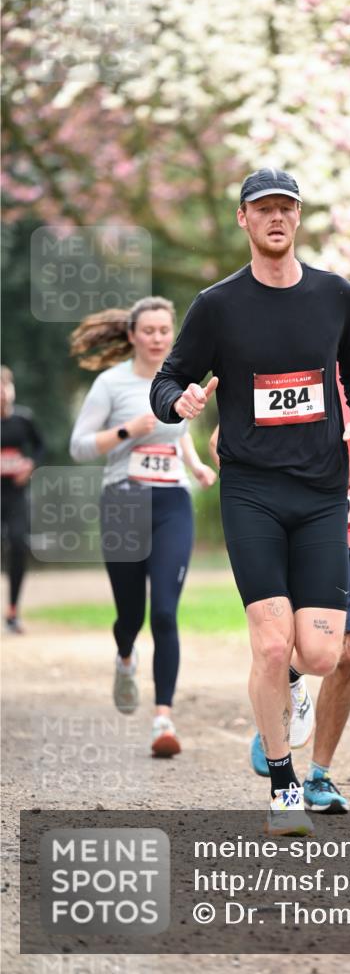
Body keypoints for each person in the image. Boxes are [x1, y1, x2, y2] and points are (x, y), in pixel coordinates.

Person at [150, 167, 350, 835]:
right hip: (251, 491)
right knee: (273, 647)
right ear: (244, 221)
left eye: (286, 207)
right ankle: (282, 786)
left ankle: (291, 695)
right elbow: (170, 377)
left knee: (320, 656)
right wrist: (180, 400)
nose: (275, 217)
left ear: (297, 219)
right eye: (263, 209)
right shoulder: (217, 306)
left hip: (319, 493)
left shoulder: (334, 294)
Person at [69, 299, 217, 757]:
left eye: (163, 330)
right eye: (148, 330)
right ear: (132, 335)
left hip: (172, 501)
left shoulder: (176, 381)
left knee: (167, 612)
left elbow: (179, 429)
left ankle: (162, 721)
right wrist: (128, 430)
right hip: (123, 502)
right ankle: (125, 657)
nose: (157, 338)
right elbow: (78, 447)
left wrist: (194, 467)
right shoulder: (109, 384)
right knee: (130, 615)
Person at [246, 367, 350, 812]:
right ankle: (280, 691)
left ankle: (319, 776)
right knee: (288, 645)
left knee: (345, 653)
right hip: (291, 534)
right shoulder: (279, 370)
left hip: (347, 534)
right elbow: (222, 441)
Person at [1, 366, 45, 633]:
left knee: (18, 543)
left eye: (5, 388)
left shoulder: (23, 419)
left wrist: (30, 465)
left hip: (16, 495)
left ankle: (13, 611)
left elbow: (40, 446)